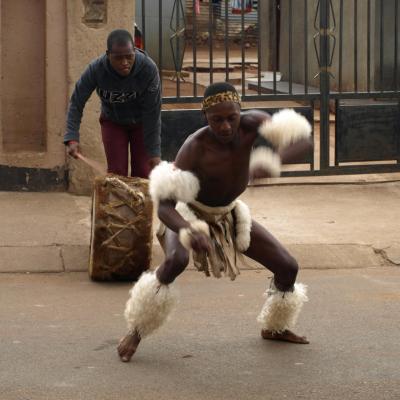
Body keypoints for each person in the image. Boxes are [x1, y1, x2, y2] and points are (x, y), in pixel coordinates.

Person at [118, 82, 313, 362]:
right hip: (190, 212)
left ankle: (276, 327)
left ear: (240, 112)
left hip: (229, 212)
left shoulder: (253, 124)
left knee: (288, 267)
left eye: (231, 118)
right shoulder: (194, 148)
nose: (224, 126)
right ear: (205, 118)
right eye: (216, 120)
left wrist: (273, 160)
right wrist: (188, 230)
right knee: (176, 261)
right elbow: (164, 208)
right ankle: (135, 331)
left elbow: (304, 140)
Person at [64, 29, 161, 177]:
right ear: (108, 55)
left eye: (129, 57)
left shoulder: (148, 70)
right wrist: (72, 137)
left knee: (143, 172)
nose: (124, 63)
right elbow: (77, 102)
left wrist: (154, 152)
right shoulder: (96, 70)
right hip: (113, 122)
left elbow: (153, 114)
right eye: (118, 58)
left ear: (135, 51)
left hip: (142, 124)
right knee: (117, 175)